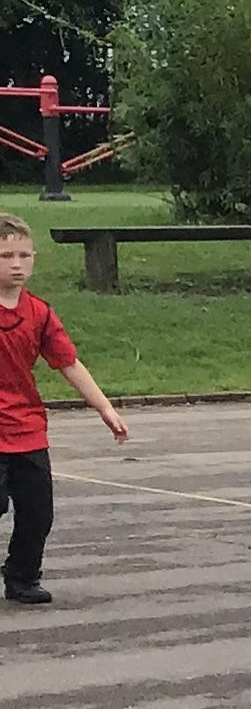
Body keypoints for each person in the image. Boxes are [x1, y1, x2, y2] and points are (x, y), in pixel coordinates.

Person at [0, 211, 131, 604]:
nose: (17, 264)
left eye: (24, 255)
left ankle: (22, 577)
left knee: (38, 513)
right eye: (6, 256)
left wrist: (105, 408)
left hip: (27, 430)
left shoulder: (39, 313)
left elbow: (68, 363)